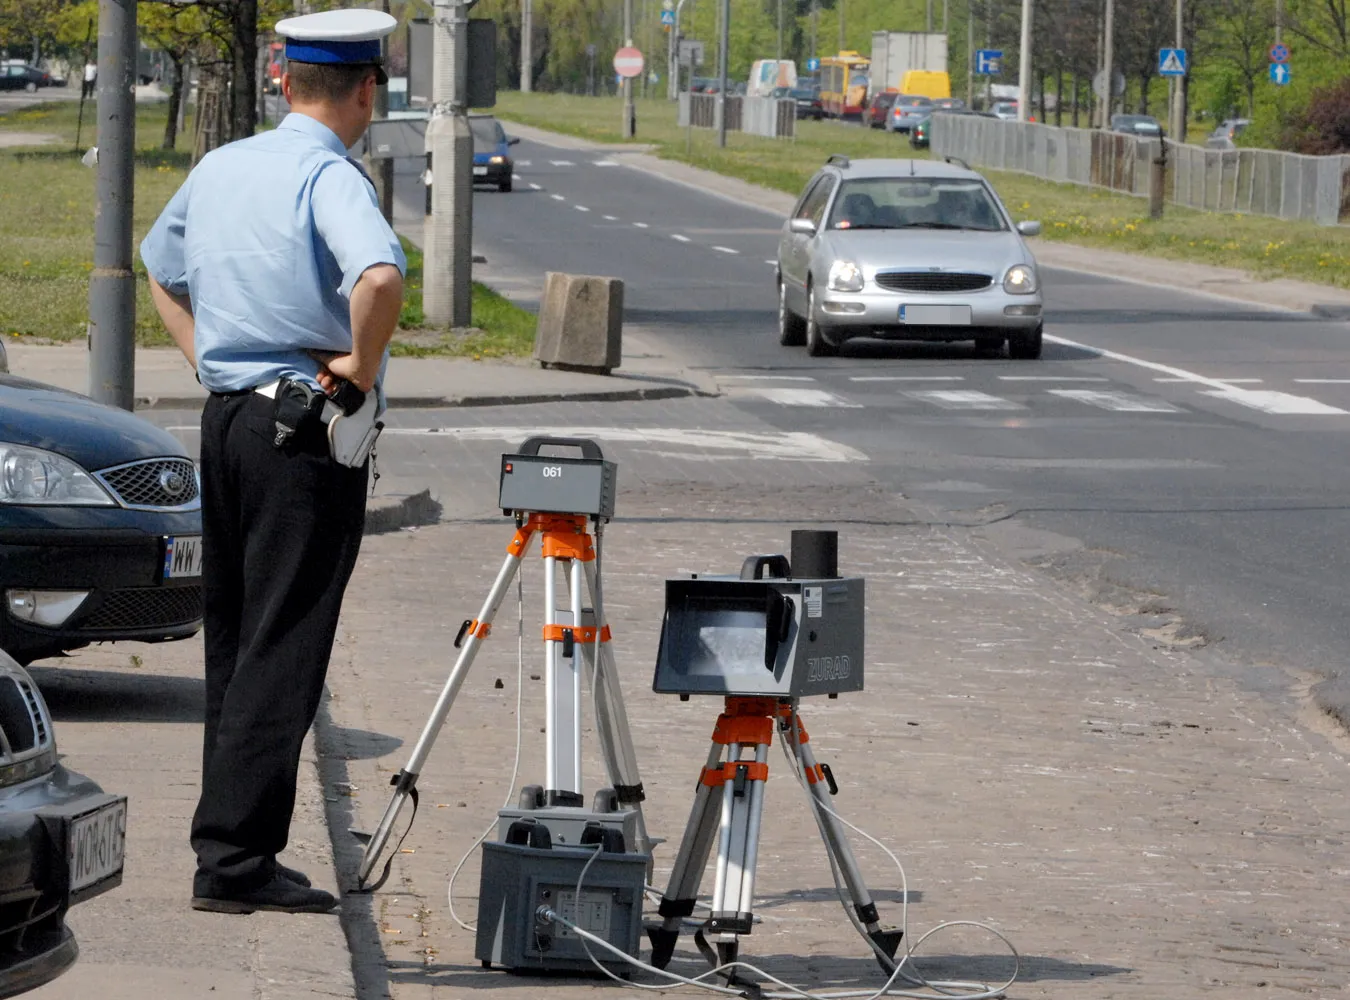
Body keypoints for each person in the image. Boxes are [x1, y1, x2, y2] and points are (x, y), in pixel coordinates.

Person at [139, 8, 405, 915]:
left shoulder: (223, 166)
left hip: (228, 421)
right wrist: (356, 373)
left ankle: (228, 844)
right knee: (285, 641)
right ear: (366, 89)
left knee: (236, 634)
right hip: (302, 431)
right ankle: (237, 859)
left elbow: (159, 267)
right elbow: (378, 279)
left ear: (286, 81)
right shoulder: (329, 174)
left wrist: (207, 358)